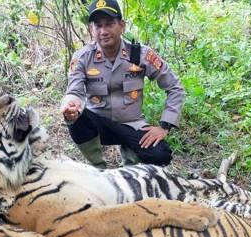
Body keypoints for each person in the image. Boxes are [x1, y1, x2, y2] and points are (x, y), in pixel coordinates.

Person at [60, 0, 185, 169]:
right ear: (91, 29)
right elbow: (74, 90)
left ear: (122, 25)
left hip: (131, 124)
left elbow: (175, 88)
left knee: (160, 155)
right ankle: (98, 169)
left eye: (109, 24)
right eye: (98, 26)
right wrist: (70, 104)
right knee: (77, 120)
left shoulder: (141, 55)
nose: (103, 31)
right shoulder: (82, 57)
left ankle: (130, 164)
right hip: (99, 124)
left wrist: (164, 126)